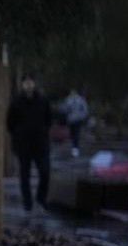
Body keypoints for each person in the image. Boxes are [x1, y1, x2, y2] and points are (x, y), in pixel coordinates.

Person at [7, 74, 53, 212]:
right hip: (23, 145)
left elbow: (49, 119)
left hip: (40, 144)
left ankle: (41, 197)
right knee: (24, 175)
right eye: (25, 82)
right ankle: (27, 202)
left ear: (34, 83)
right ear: (22, 84)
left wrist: (43, 131)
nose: (28, 84)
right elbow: (10, 123)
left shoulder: (43, 100)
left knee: (45, 172)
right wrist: (18, 135)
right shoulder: (16, 102)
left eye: (30, 82)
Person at [61, 88, 89, 157]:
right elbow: (64, 109)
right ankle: (74, 147)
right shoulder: (68, 100)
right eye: (71, 92)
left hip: (77, 120)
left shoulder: (81, 100)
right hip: (71, 120)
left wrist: (82, 116)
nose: (72, 93)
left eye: (74, 92)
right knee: (72, 134)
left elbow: (85, 109)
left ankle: (75, 148)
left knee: (76, 133)